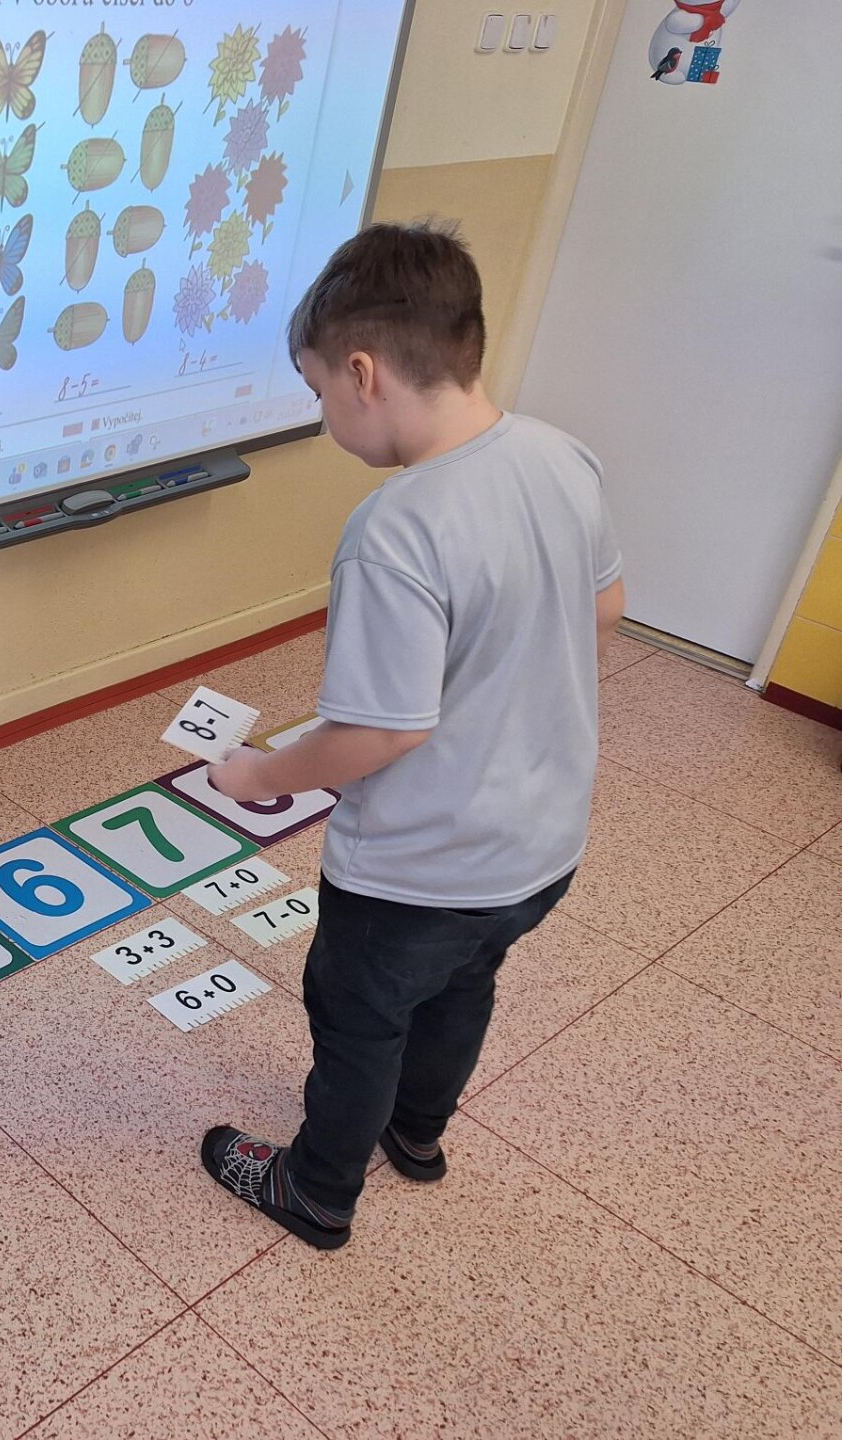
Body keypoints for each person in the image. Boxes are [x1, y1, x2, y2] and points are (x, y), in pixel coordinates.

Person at [199, 222, 626, 1251]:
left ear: (363, 373)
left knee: (360, 1018)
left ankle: (317, 1189)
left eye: (317, 394)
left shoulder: (396, 528)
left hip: (416, 870)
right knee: (464, 985)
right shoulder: (562, 455)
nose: (325, 417)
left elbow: (379, 734)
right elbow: (604, 611)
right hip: (541, 846)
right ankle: (417, 1134)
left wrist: (260, 773)